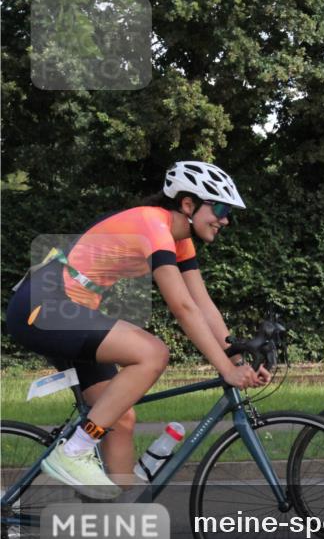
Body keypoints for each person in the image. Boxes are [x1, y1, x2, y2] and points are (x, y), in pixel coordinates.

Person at [6, 161, 270, 499]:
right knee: (152, 353)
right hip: (43, 304)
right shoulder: (153, 225)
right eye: (219, 209)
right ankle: (73, 451)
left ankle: (116, 524)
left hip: (68, 309)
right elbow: (182, 307)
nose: (225, 219)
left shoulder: (179, 240)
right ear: (187, 204)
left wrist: (235, 360)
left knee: (120, 419)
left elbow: (202, 304)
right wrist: (225, 369)